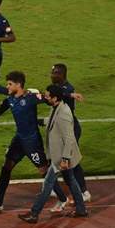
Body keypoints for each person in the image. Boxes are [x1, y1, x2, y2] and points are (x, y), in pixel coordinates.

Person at [0, 71, 49, 212]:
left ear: (18, 84)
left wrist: (69, 95)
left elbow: (51, 99)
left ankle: (62, 199)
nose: (7, 86)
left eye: (10, 84)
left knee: (43, 170)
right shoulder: (10, 99)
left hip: (32, 141)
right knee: (6, 167)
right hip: (19, 140)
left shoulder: (31, 97)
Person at [19, 85, 88, 223]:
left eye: (47, 96)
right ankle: (81, 209)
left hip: (61, 157)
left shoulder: (64, 114)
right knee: (71, 180)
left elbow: (69, 138)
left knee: (48, 184)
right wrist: (37, 121)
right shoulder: (56, 107)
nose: (45, 98)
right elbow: (51, 121)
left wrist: (65, 159)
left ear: (55, 98)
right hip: (60, 155)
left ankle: (34, 214)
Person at [48, 64, 92, 211]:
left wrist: (71, 95)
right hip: (61, 127)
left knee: (71, 161)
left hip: (70, 128)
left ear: (63, 74)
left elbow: (63, 94)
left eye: (56, 73)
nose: (53, 75)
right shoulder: (56, 87)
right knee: (56, 157)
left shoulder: (68, 88)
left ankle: (84, 192)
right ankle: (53, 186)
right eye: (52, 72)